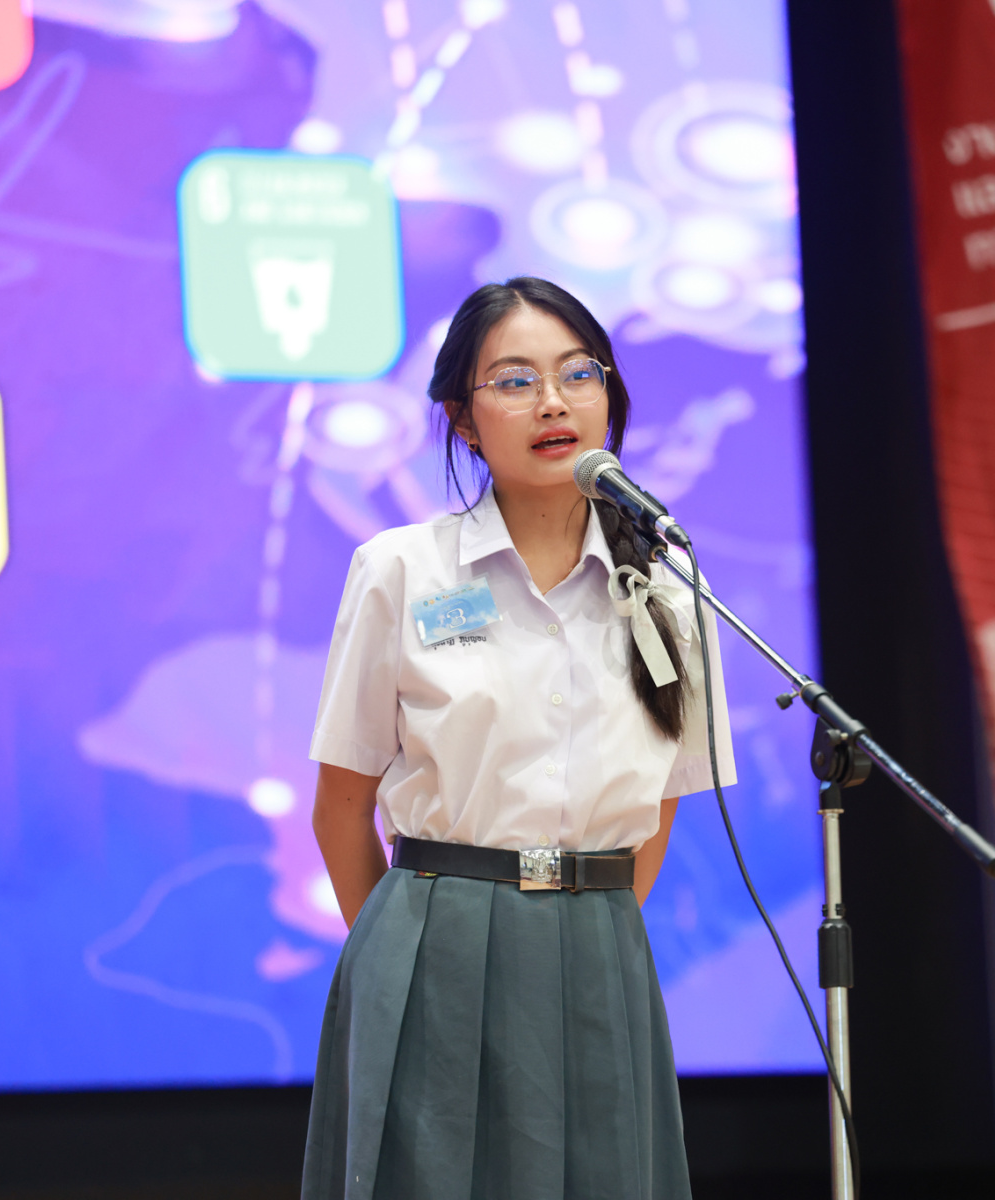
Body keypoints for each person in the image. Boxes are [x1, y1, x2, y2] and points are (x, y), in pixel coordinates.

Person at [300, 277, 735, 1200]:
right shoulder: (400, 570)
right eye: (514, 381)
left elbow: (658, 809)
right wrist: (402, 961)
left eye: (579, 374)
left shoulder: (667, 589)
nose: (553, 402)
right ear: (462, 419)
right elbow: (340, 808)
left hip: (600, 943)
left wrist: (581, 923)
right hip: (434, 942)